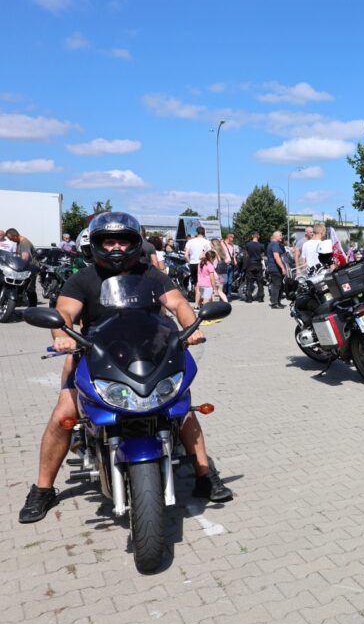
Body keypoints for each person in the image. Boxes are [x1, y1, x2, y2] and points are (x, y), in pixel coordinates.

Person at [18, 212, 232, 523]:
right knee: (64, 413)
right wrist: (62, 335)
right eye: (109, 241)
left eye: (123, 241)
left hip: (150, 356)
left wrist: (192, 327)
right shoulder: (83, 279)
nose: (116, 247)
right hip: (96, 355)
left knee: (182, 407)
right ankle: (42, 487)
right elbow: (64, 311)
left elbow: (178, 304)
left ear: (135, 244)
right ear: (97, 245)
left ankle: (204, 474)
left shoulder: (151, 275)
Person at [5, 228, 38, 306]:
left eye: (11, 238)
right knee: (22, 287)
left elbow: (25, 258)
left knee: (30, 289)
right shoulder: (19, 242)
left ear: (15, 236)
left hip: (31, 268)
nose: (11, 240)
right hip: (27, 267)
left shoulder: (24, 244)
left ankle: (33, 307)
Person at [184, 226, 211, 307]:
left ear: (196, 232)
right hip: (203, 263)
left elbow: (185, 255)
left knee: (196, 284)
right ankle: (199, 303)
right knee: (205, 284)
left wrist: (190, 262)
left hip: (193, 263)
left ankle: (197, 303)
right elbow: (209, 255)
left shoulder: (190, 242)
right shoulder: (207, 242)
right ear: (204, 232)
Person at [265, 230, 288, 309]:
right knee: (277, 285)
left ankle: (277, 302)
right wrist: (282, 267)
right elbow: (276, 257)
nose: (282, 237)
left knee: (280, 285)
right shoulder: (274, 244)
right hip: (275, 268)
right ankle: (275, 303)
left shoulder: (274, 244)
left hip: (274, 268)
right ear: (275, 236)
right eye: (280, 235)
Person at [244, 231, 265, 302]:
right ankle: (260, 298)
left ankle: (249, 298)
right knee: (260, 282)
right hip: (258, 264)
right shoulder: (261, 245)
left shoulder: (248, 245)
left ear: (252, 236)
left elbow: (246, 255)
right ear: (258, 236)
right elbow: (262, 255)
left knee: (249, 281)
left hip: (250, 264)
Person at [222, 232, 238, 298]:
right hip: (224, 265)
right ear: (229, 237)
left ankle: (229, 295)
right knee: (225, 281)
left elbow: (233, 255)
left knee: (230, 281)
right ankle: (223, 294)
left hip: (231, 265)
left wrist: (235, 260)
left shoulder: (232, 245)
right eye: (232, 237)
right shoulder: (222, 244)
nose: (233, 239)